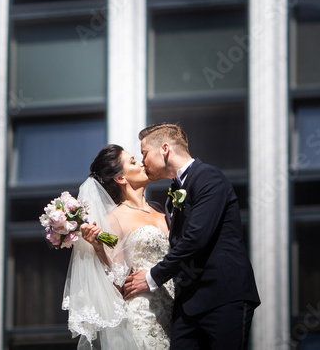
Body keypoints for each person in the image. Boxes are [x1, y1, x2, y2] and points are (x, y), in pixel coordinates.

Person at [122, 123, 260, 350]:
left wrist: (152, 276)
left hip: (223, 298)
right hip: (188, 304)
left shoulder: (209, 177)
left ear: (165, 149)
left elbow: (196, 238)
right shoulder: (174, 192)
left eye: (145, 153)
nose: (143, 161)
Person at [64, 144, 175, 350]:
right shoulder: (115, 218)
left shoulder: (163, 210)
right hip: (146, 317)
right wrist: (99, 248)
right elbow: (119, 282)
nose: (142, 163)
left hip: (177, 314)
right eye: (133, 162)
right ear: (121, 178)